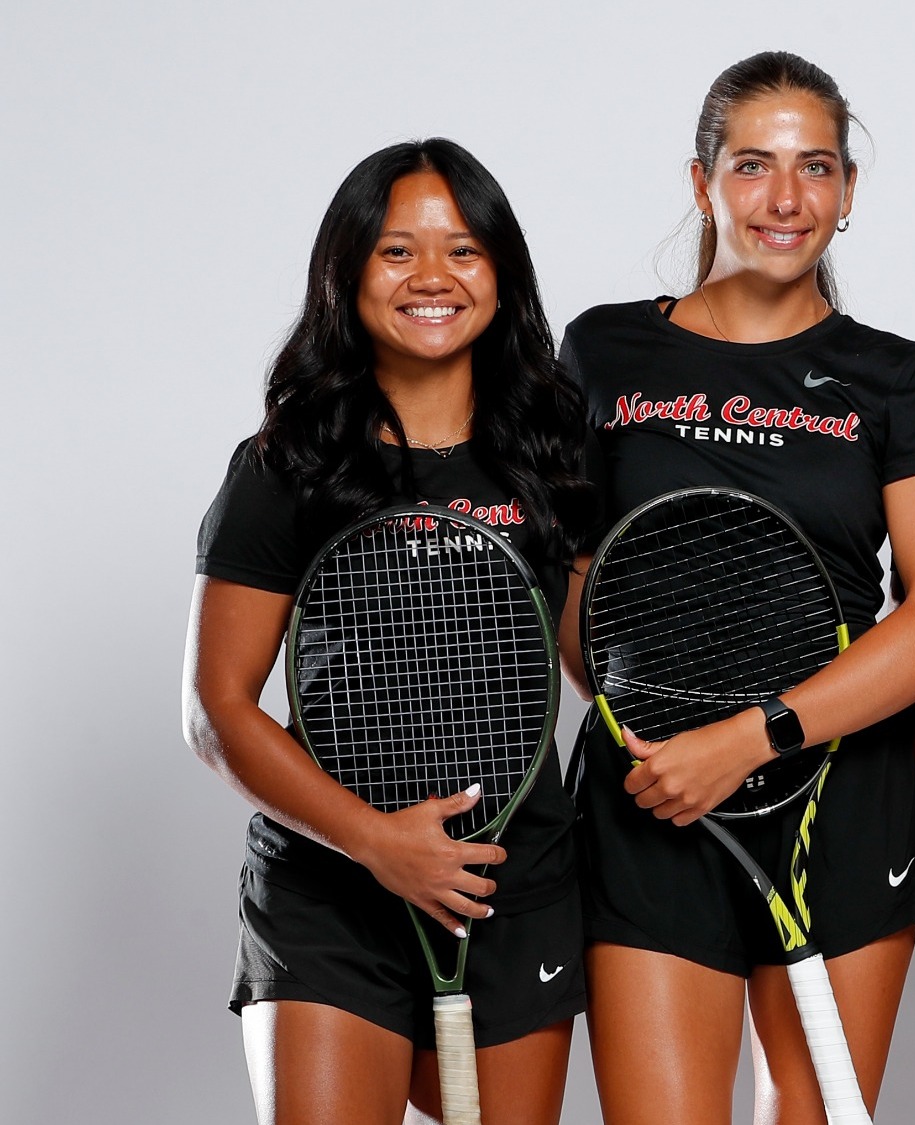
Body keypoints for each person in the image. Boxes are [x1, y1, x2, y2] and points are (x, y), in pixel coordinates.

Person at [557, 51, 915, 1125]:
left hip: (838, 796)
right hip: (648, 799)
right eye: (751, 165)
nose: (784, 200)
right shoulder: (601, 351)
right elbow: (572, 583)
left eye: (816, 168)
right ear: (701, 184)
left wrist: (750, 738)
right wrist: (648, 721)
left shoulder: (896, 374)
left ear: (845, 192)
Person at [183, 138, 596, 1125]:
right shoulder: (285, 465)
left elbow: (592, 662)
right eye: (396, 251)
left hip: (510, 886)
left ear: (502, 272)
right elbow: (218, 709)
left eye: (462, 250)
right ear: (348, 272)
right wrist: (375, 844)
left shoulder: (553, 453)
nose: (432, 278)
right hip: (330, 893)